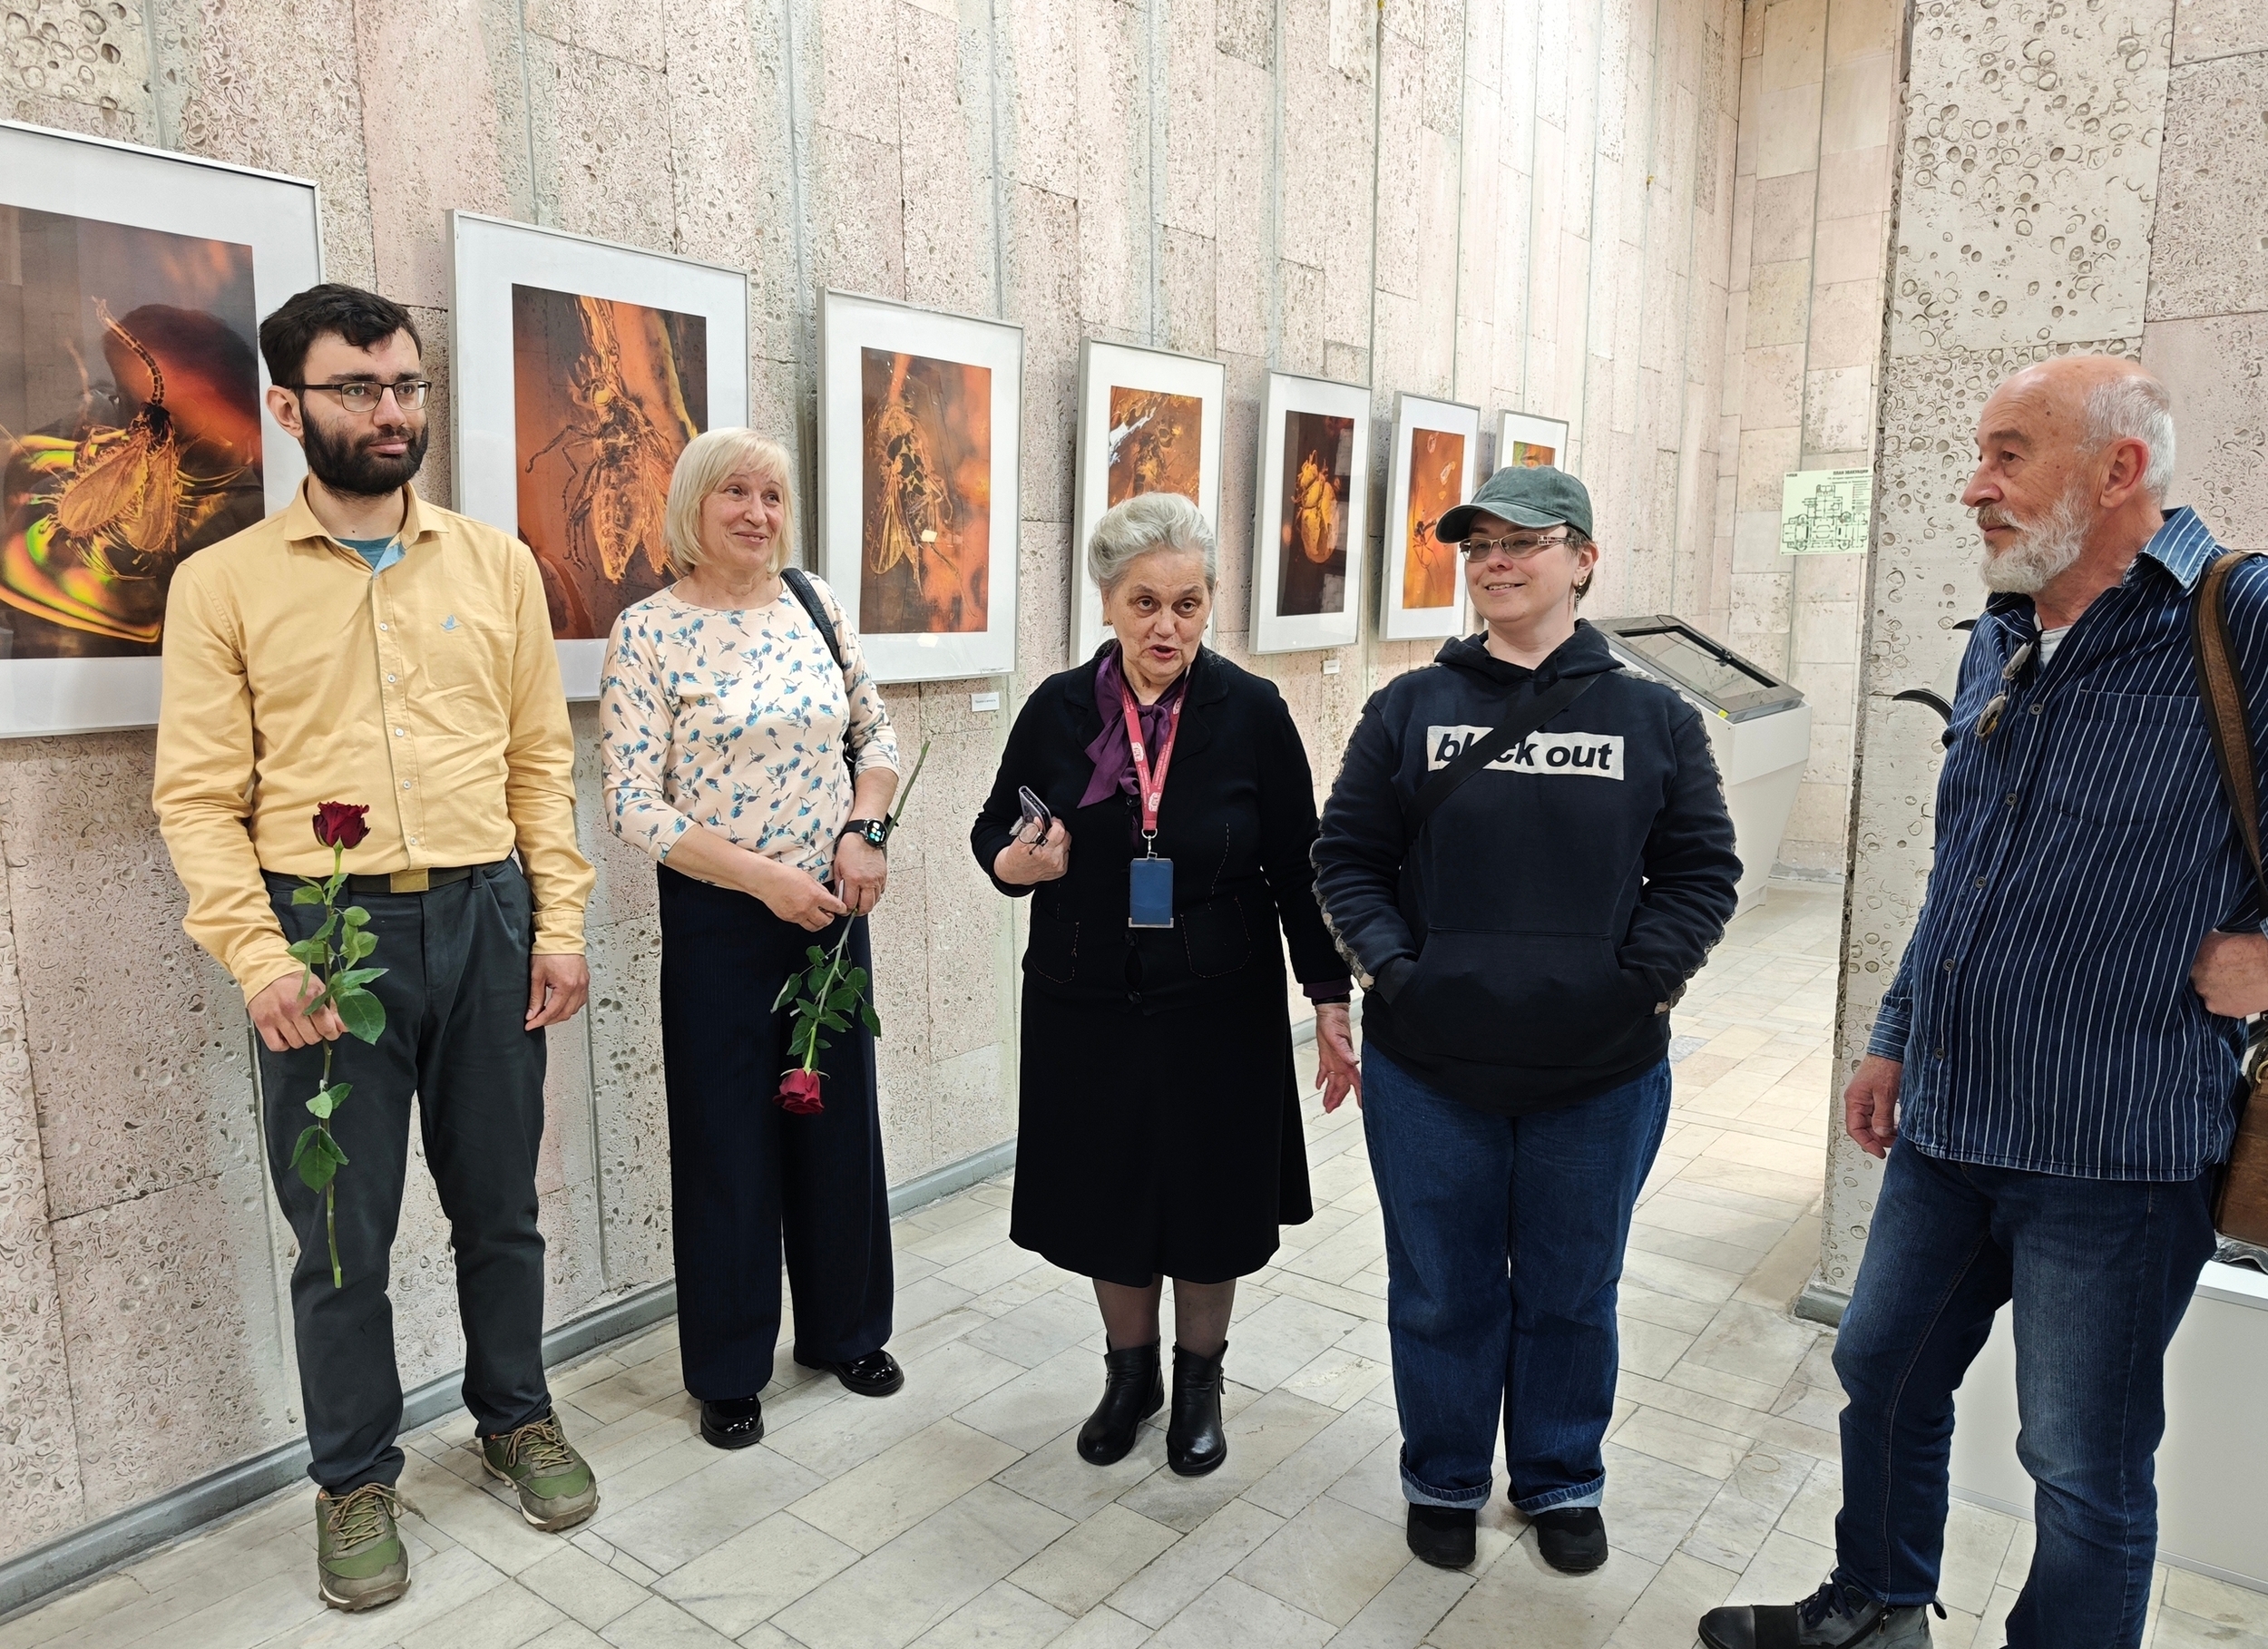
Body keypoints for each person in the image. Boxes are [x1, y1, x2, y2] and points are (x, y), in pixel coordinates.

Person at [1700, 357, 2264, 1649]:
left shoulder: (2240, 618)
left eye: (2009, 453)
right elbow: (1965, 869)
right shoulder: (2002, 632)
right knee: (1880, 1365)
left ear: (2120, 469)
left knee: (2079, 1461)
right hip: (1953, 1120)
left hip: (2119, 1150)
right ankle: (1880, 1608)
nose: (1974, 485)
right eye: (1979, 454)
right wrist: (1895, 1030)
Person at [152, 283, 600, 1613]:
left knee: (502, 1204)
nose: (391, 409)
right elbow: (198, 798)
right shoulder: (223, 584)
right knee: (340, 1233)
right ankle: (352, 1476)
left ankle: (516, 1414)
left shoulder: (494, 564)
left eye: (406, 383)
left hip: (487, 915)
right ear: (289, 408)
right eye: (357, 387)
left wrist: (558, 922)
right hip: (325, 938)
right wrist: (259, 956)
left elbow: (539, 761)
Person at [1312, 463, 1740, 1573]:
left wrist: (1636, 985)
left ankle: (1559, 1478)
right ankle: (1444, 1475)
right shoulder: (1409, 708)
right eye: (1479, 547)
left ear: (1583, 560)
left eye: (1522, 542)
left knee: (1572, 1290)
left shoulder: (1653, 716)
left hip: (1599, 1074)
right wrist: (1398, 974)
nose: (1495, 563)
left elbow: (1700, 872)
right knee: (1440, 1289)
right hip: (1429, 1069)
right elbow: (1345, 857)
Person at [971, 492, 1359, 1477]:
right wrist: (1016, 863)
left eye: (1188, 604)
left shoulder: (1251, 713)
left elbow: (1297, 865)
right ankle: (1128, 1375)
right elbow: (992, 829)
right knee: (1110, 1192)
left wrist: (1328, 999)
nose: (1166, 627)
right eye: (1145, 603)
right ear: (1107, 601)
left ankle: (1198, 1382)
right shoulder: (1056, 709)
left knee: (1208, 1195)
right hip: (1085, 995)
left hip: (1217, 1001)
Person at [600, 428, 904, 1455]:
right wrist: (761, 877)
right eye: (734, 492)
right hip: (722, 918)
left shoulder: (815, 605)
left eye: (771, 495)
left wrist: (864, 832)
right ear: (693, 504)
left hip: (831, 908)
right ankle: (730, 1371)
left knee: (838, 1123)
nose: (757, 513)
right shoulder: (648, 632)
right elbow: (632, 802)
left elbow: (875, 737)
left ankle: (846, 1331)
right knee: (727, 1141)